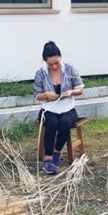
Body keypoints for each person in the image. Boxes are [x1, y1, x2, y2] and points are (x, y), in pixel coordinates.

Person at [33, 41, 84, 175]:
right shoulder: (40, 73)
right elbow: (37, 96)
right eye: (51, 64)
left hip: (68, 108)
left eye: (56, 62)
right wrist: (46, 95)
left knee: (65, 122)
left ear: (60, 57)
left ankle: (57, 152)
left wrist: (71, 92)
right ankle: (48, 158)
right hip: (49, 108)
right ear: (45, 61)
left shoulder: (70, 69)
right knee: (52, 122)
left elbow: (80, 89)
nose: (54, 66)